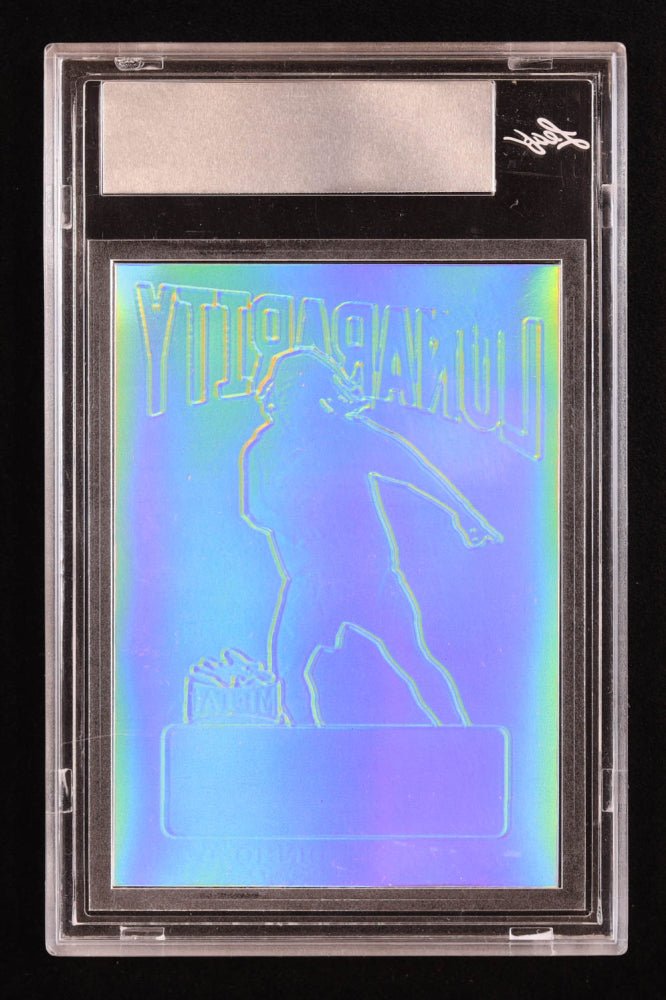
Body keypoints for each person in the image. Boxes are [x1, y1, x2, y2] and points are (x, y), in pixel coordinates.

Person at [240, 348, 502, 726]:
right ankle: (309, 745)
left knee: (413, 659)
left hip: (371, 579)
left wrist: (465, 514)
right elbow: (256, 510)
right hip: (312, 583)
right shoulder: (264, 450)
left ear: (323, 393)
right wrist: (296, 517)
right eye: (291, 388)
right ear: (279, 392)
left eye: (307, 389)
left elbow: (413, 468)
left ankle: (462, 734)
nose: (298, 398)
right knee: (289, 670)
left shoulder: (349, 434)